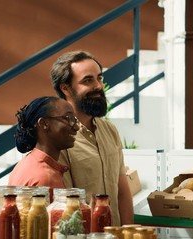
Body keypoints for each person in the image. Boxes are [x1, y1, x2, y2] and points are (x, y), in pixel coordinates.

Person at [50, 50, 134, 226]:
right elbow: (65, 203)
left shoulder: (110, 131)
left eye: (100, 78)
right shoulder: (60, 138)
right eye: (88, 80)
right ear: (65, 88)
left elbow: (122, 192)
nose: (98, 86)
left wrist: (128, 235)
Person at [8, 96, 79, 201]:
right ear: (44, 124)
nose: (76, 127)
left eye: (75, 120)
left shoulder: (27, 163)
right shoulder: (46, 178)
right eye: (68, 118)